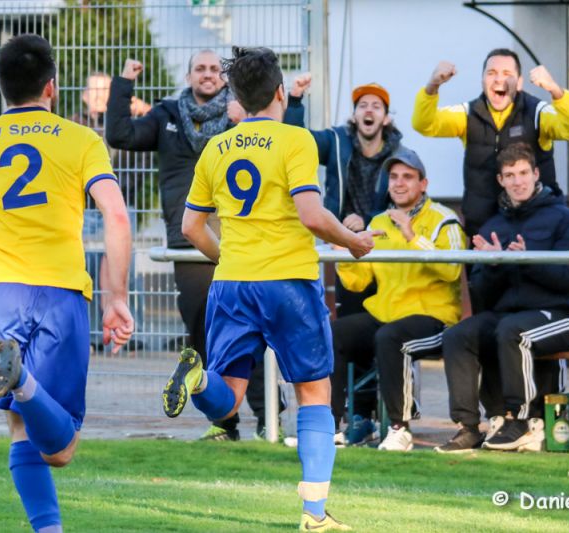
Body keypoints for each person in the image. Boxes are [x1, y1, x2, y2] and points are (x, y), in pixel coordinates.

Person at [0, 34, 134, 532]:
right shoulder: (81, 140)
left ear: (1, 88)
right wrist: (117, 297)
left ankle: (48, 526)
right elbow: (117, 217)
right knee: (61, 448)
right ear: (52, 86)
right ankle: (22, 381)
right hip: (60, 292)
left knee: (20, 424)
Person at [162, 46, 379, 530]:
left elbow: (192, 227)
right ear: (281, 92)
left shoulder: (216, 147)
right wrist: (353, 241)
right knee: (314, 392)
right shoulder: (295, 140)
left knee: (228, 394)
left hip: (232, 284)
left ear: (236, 98)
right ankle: (314, 514)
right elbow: (311, 215)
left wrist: (228, 258)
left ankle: (196, 380)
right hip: (288, 284)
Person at [105, 51, 278, 441]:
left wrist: (247, 120)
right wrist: (124, 83)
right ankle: (223, 423)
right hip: (189, 241)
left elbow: (277, 147)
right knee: (203, 329)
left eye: (215, 69)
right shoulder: (166, 115)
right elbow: (120, 135)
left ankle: (269, 417)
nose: (208, 74)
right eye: (200, 68)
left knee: (249, 330)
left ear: (225, 78)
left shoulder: (242, 118)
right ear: (189, 76)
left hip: (240, 238)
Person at [438, 143, 569, 453]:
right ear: (500, 180)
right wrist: (496, 265)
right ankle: (468, 427)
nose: (518, 182)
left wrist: (526, 260)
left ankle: (519, 421)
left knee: (512, 331)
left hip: (560, 314)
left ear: (536, 174)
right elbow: (482, 292)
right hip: (510, 316)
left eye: (523, 173)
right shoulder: (494, 225)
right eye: (510, 175)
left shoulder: (563, 218)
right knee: (457, 335)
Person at [332, 148, 466, 452]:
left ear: (423, 184)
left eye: (408, 176)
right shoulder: (378, 221)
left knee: (390, 338)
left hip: (435, 317)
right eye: (393, 177)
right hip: (387, 314)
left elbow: (452, 269)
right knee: (333, 333)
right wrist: (344, 255)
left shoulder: (444, 219)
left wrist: (411, 236)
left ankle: (399, 429)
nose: (399, 183)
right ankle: (329, 425)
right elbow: (358, 281)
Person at [412, 48, 569, 239]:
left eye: (507, 73)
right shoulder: (467, 114)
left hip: (535, 230)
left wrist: (555, 89)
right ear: (482, 81)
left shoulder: (537, 112)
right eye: (491, 73)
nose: (498, 79)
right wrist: (432, 85)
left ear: (519, 83)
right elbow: (424, 124)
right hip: (482, 231)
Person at [285, 77, 406, 316]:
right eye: (363, 105)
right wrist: (296, 100)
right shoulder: (337, 141)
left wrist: (366, 219)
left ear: (386, 118)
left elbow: (403, 202)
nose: (368, 110)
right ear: (354, 116)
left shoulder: (399, 154)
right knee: (350, 318)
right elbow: (296, 141)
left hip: (384, 246)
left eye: (376, 106)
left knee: (385, 319)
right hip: (345, 246)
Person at [71, 71, 151, 353]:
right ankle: (93, 335)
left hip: (122, 202)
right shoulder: (75, 125)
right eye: (95, 90)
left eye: (105, 90)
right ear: (84, 95)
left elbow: (145, 153)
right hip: (87, 207)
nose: (100, 96)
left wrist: (117, 192)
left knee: (125, 268)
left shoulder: (125, 124)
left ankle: (130, 332)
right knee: (88, 268)